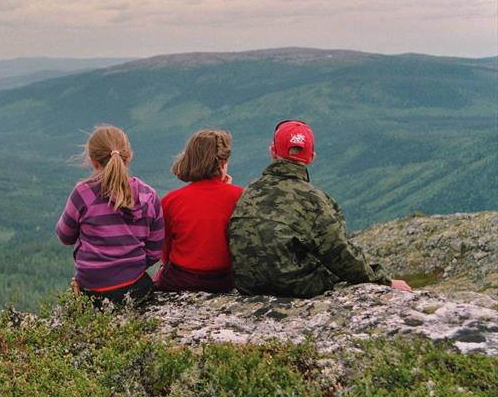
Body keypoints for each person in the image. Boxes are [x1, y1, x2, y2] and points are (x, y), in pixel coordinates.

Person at [227, 120, 412, 298]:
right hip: (294, 286)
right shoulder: (314, 200)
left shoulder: (250, 190)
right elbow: (339, 254)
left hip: (247, 284)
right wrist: (384, 281)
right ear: (311, 158)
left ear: (272, 151)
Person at [55, 124, 164, 306]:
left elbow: (64, 236)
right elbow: (155, 250)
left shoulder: (83, 193)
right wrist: (129, 268)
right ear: (128, 157)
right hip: (135, 287)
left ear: (92, 161)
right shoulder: (149, 195)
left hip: (92, 291)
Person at [154, 129, 243, 292]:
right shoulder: (239, 197)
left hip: (181, 280)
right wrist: (226, 189)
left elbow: (165, 252)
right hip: (224, 281)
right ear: (223, 164)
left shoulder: (171, 200)